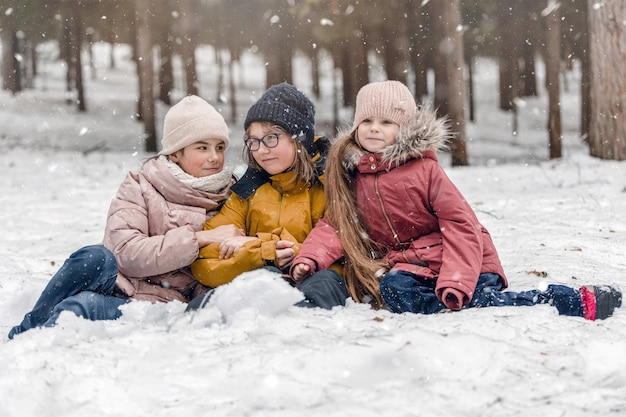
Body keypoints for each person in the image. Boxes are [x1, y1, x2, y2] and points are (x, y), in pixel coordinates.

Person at [291, 80, 622, 320]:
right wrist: (310, 259)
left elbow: (462, 226)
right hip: (412, 268)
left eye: (386, 122)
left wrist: (456, 280)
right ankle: (460, 301)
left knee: (473, 297)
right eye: (367, 121)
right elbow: (336, 223)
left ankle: (564, 301)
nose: (374, 129)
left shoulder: (425, 171)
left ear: (404, 129)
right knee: (392, 288)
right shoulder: (353, 173)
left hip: (466, 261)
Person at [8, 95, 242, 339]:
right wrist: (199, 238)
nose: (215, 157)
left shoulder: (229, 199)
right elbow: (127, 253)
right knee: (93, 257)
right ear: (175, 153)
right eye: (202, 147)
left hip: (154, 303)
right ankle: (27, 332)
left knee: (79, 307)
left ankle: (42, 341)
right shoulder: (140, 185)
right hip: (117, 280)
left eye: (220, 147)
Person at [188, 83, 348, 310]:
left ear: (298, 139)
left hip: (319, 281)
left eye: (271, 138)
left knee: (323, 283)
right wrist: (266, 253)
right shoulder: (247, 191)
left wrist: (261, 245)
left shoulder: (331, 184)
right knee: (207, 306)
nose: (261, 150)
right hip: (261, 280)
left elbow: (342, 248)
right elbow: (205, 262)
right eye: (253, 141)